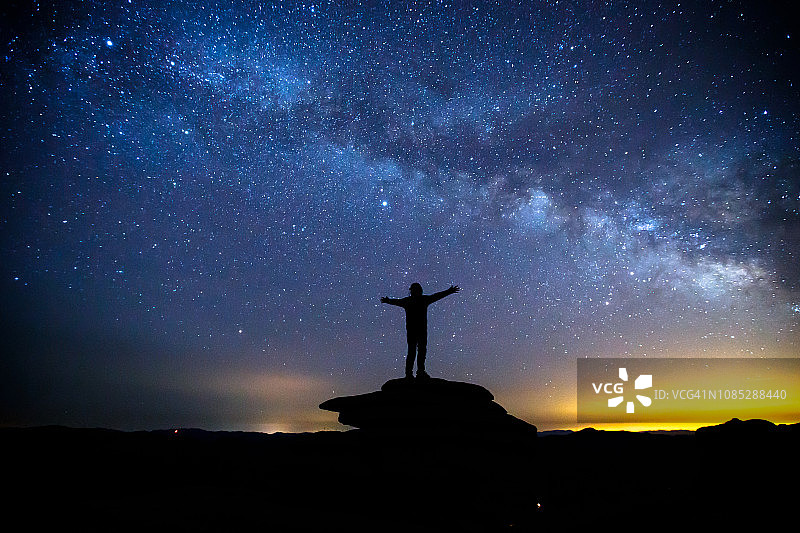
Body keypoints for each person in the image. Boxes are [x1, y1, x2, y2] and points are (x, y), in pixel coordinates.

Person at [381, 283, 460, 379]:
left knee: (414, 351)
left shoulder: (409, 301)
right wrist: (449, 291)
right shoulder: (422, 300)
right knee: (418, 351)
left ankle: (412, 373)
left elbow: (396, 301)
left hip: (413, 330)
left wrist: (387, 300)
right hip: (419, 330)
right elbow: (436, 296)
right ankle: (418, 372)